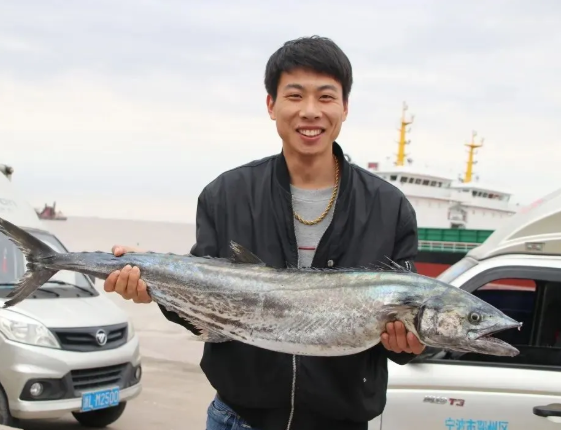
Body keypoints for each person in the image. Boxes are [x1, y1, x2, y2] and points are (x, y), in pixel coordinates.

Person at [104, 35, 425, 430]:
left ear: (344, 107)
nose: (310, 111)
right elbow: (204, 308)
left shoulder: (389, 208)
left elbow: (404, 335)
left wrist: (409, 345)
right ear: (271, 105)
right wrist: (152, 286)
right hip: (237, 420)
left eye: (326, 97)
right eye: (295, 95)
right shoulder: (227, 194)